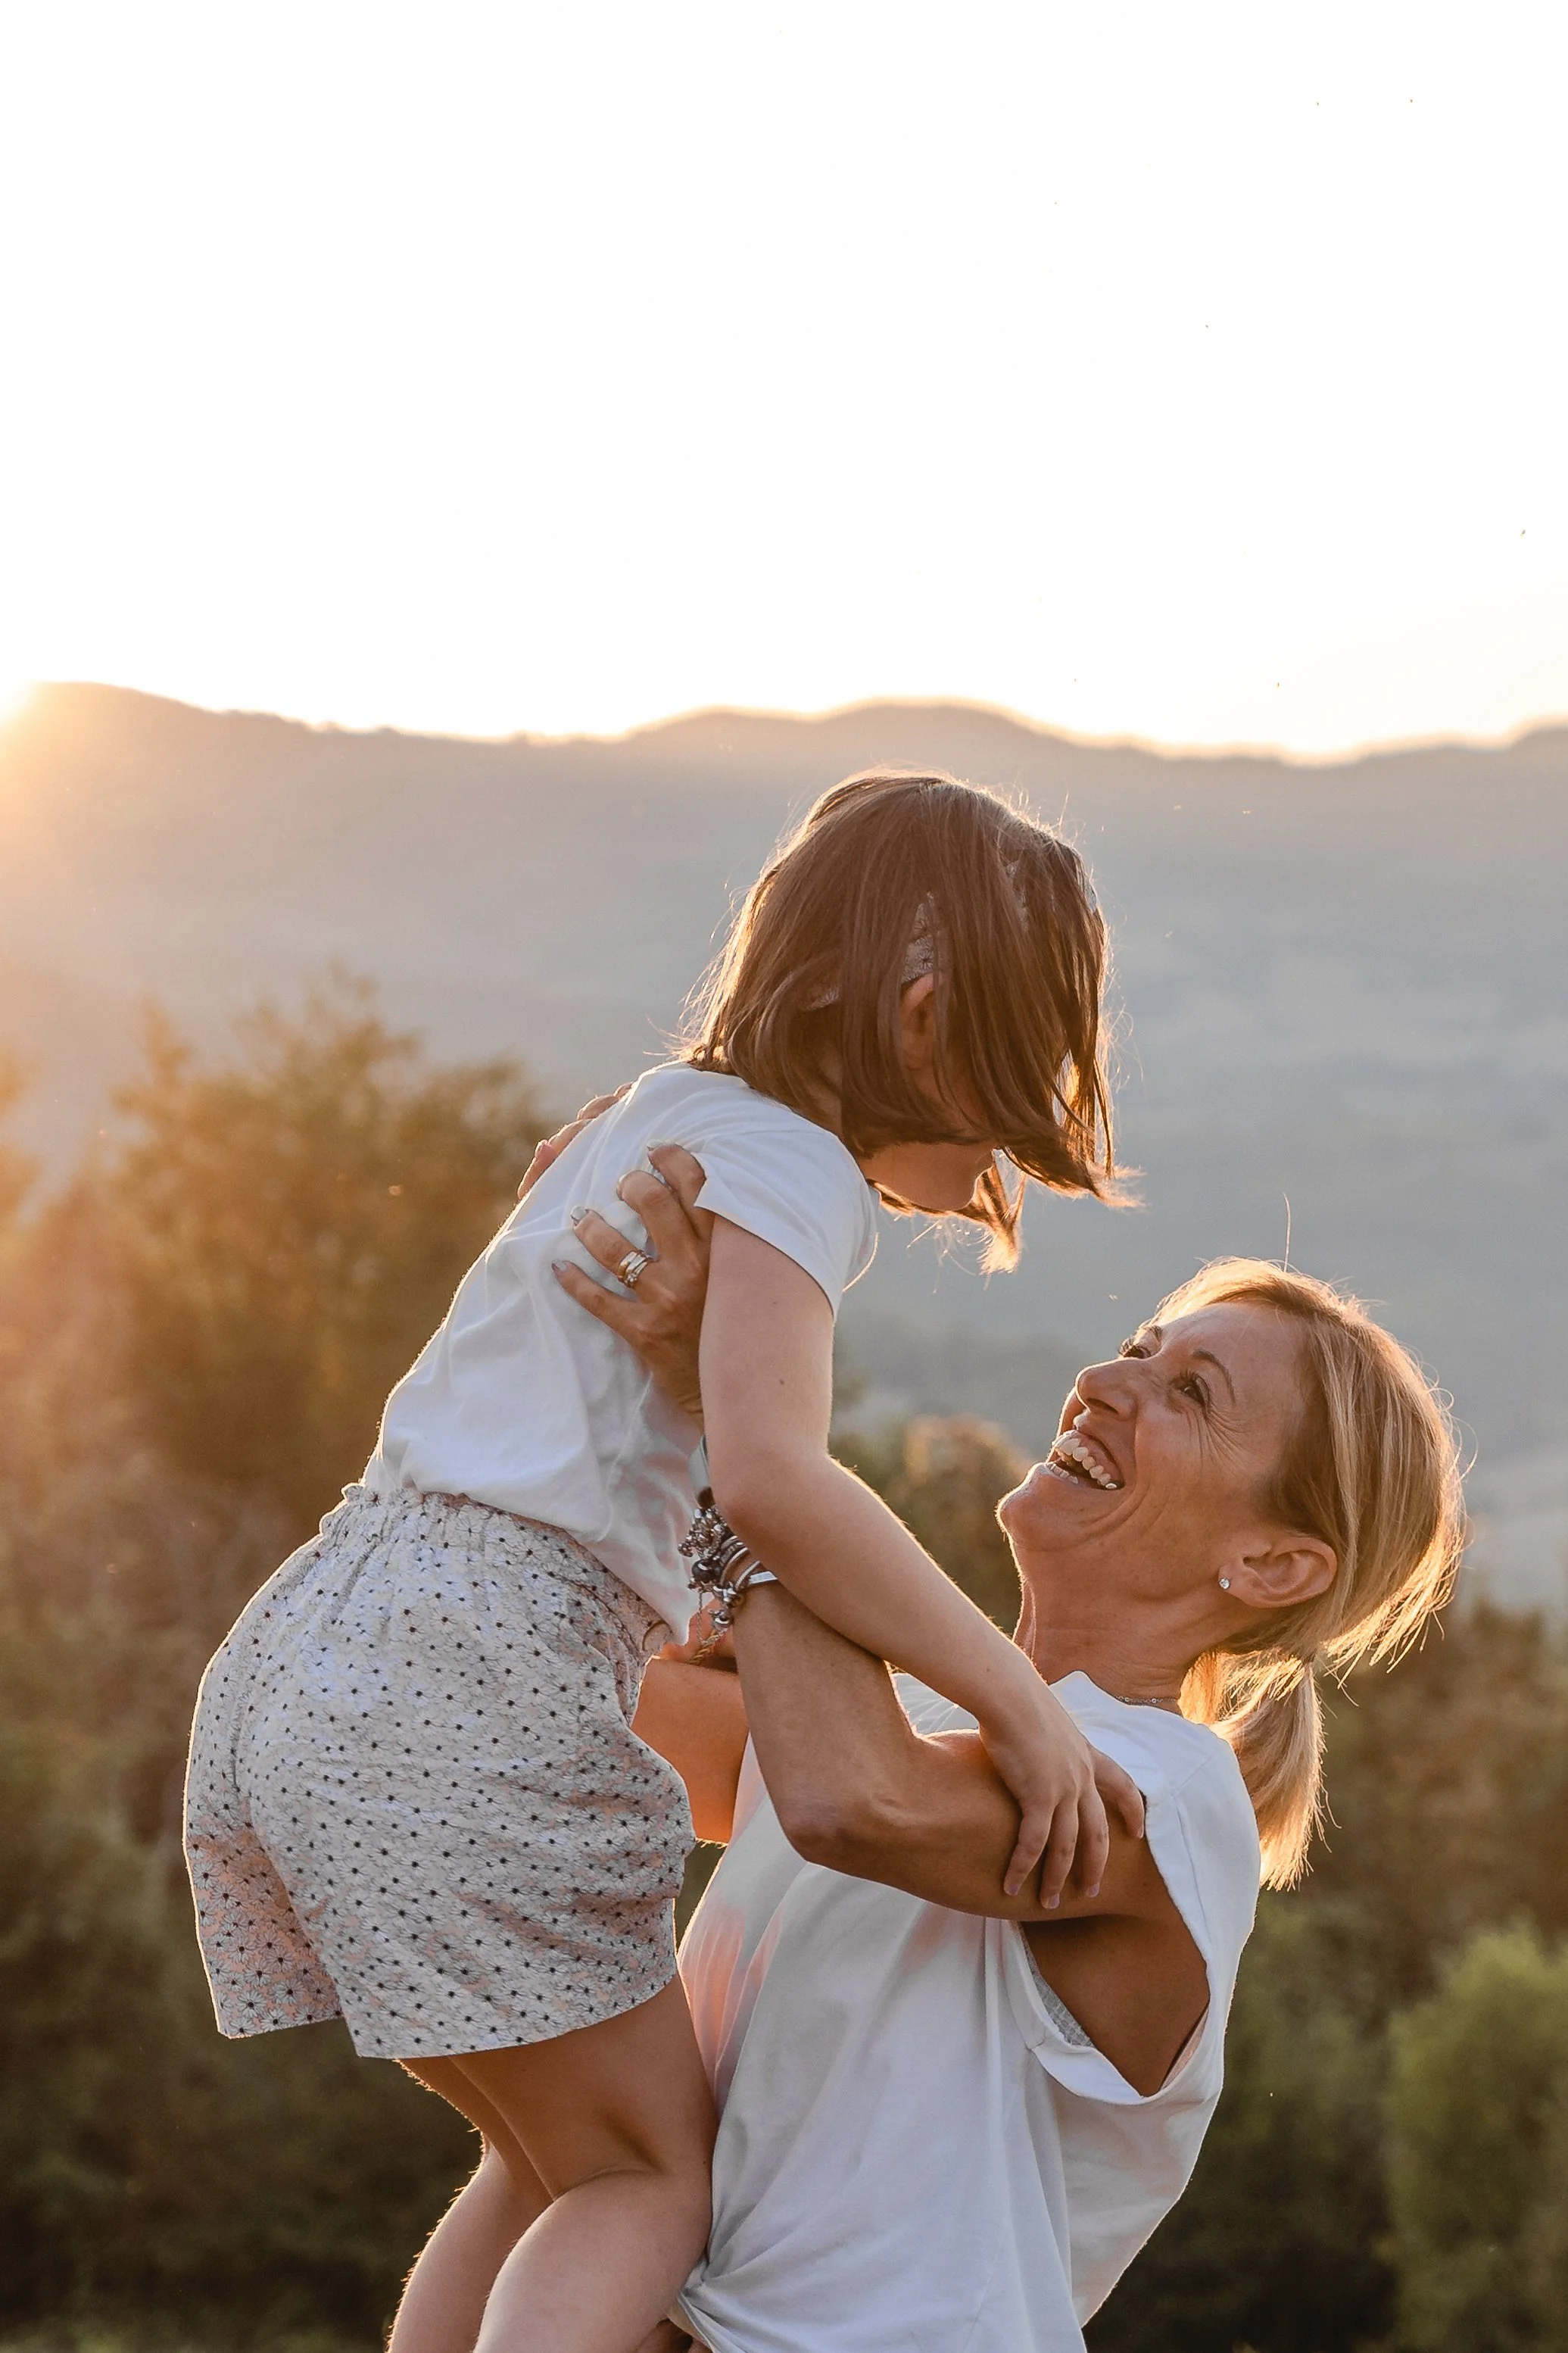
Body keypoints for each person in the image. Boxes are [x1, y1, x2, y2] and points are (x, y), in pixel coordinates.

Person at [182, 771, 1145, 2353]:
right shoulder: (792, 1166)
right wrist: (1012, 1698)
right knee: (647, 2177)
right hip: (474, 1678)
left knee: (553, 2160)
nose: (1015, 1118)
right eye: (1024, 1057)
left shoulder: (655, 1116)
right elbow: (774, 1479)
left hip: (314, 1655)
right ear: (923, 1014)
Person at [388, 1132, 1459, 2352]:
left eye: (1192, 1393)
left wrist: (731, 1407)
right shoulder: (898, 1712)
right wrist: (571, 1301)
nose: (1104, 1381)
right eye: (1138, 1349)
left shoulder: (1175, 1796)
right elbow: (524, 1697)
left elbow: (855, 1801)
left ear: (1269, 1562)